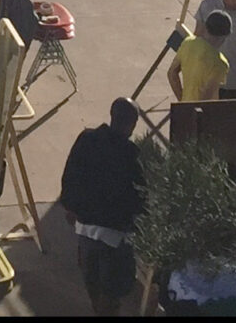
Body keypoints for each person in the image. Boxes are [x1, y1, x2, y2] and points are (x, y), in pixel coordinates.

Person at [57, 99, 146, 318]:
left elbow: (70, 176)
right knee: (111, 293)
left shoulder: (87, 139)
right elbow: (140, 197)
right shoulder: (131, 155)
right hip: (115, 237)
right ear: (133, 124)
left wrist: (70, 206)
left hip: (85, 229)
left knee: (94, 287)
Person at [170, 11, 233, 102]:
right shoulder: (220, 63)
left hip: (185, 106)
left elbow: (172, 73)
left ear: (205, 28)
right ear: (224, 37)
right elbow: (208, 96)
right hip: (202, 113)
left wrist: (182, 101)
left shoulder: (188, 42)